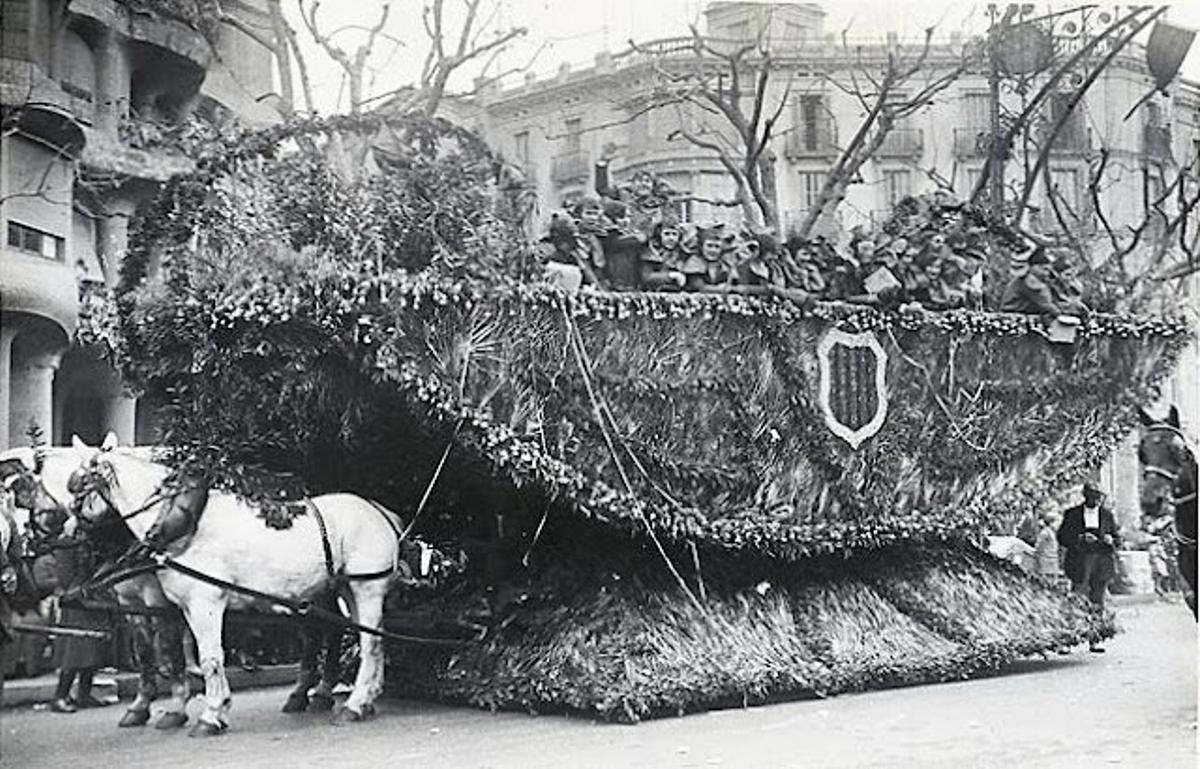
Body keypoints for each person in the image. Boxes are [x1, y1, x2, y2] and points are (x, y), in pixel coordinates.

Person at [49, 518, 112, 713]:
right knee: (74, 652)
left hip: (89, 598)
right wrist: (80, 591)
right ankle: (60, 696)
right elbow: (67, 577)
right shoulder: (66, 546)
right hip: (77, 602)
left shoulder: (87, 544)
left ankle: (84, 694)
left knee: (91, 651)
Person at [1057, 478, 1121, 652]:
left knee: (1098, 600)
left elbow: (1118, 539)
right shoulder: (1072, 514)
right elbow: (1061, 537)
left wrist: (1111, 540)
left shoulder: (1107, 515)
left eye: (1098, 497)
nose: (1096, 500)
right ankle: (1068, 640)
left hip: (1101, 560)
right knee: (1076, 599)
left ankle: (1095, 639)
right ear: (1085, 495)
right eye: (1092, 496)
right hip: (1080, 560)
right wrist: (1079, 538)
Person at [1034, 511, 1064, 584]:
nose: (1059, 524)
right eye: (1058, 522)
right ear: (1051, 523)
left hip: (1052, 560)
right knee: (1046, 581)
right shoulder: (1046, 533)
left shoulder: (1053, 533)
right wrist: (1038, 558)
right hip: (1046, 560)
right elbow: (1039, 547)